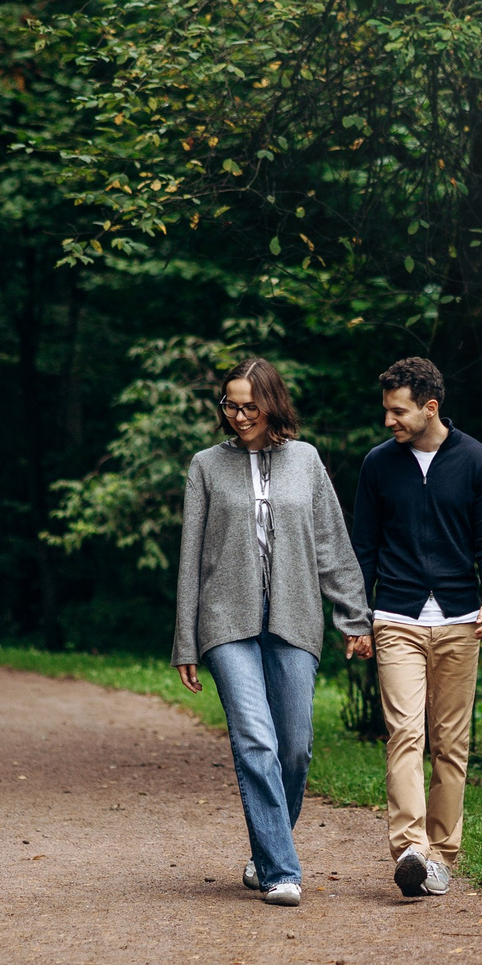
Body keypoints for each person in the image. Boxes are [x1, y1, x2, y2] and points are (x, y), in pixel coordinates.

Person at [172, 359, 373, 906]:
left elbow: (331, 542)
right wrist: (185, 640)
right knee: (255, 740)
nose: (238, 416)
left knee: (296, 750)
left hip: (295, 618)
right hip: (225, 621)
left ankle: (265, 847)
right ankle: (282, 870)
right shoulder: (206, 466)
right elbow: (191, 557)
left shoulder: (304, 460)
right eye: (229, 405)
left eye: (249, 406)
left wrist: (355, 618)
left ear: (272, 403)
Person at [350, 356, 482, 898]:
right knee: (405, 733)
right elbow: (362, 550)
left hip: (462, 621)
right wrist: (358, 618)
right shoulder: (378, 465)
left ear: (429, 407)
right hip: (396, 617)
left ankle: (441, 856)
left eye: (398, 412)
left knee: (451, 744)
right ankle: (412, 849)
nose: (389, 421)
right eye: (387, 411)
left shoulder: (477, 461)